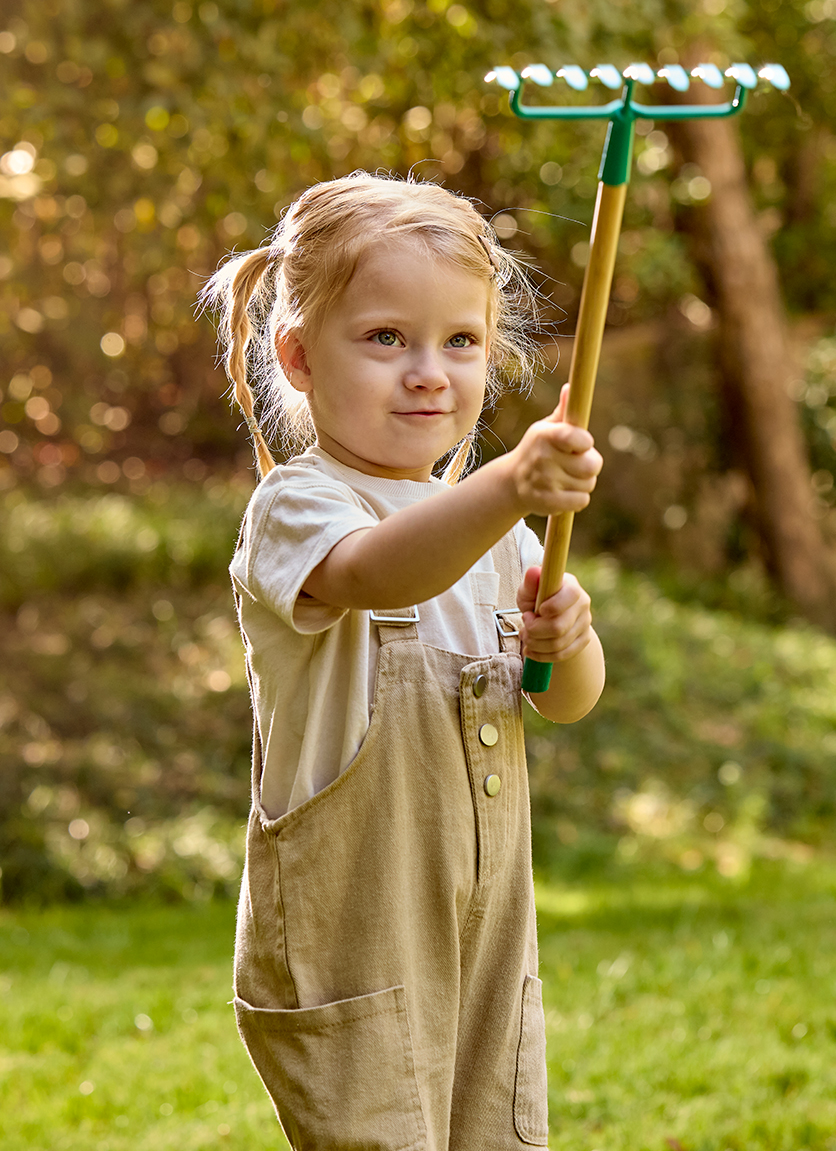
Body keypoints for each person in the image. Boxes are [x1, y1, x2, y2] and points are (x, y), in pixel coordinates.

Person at [201, 171, 605, 1151]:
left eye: (459, 341)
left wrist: (568, 644)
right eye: (387, 338)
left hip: (485, 944)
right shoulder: (301, 507)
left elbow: (563, 703)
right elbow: (377, 576)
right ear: (298, 357)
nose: (429, 372)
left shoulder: (503, 534)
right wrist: (512, 482)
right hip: (355, 953)